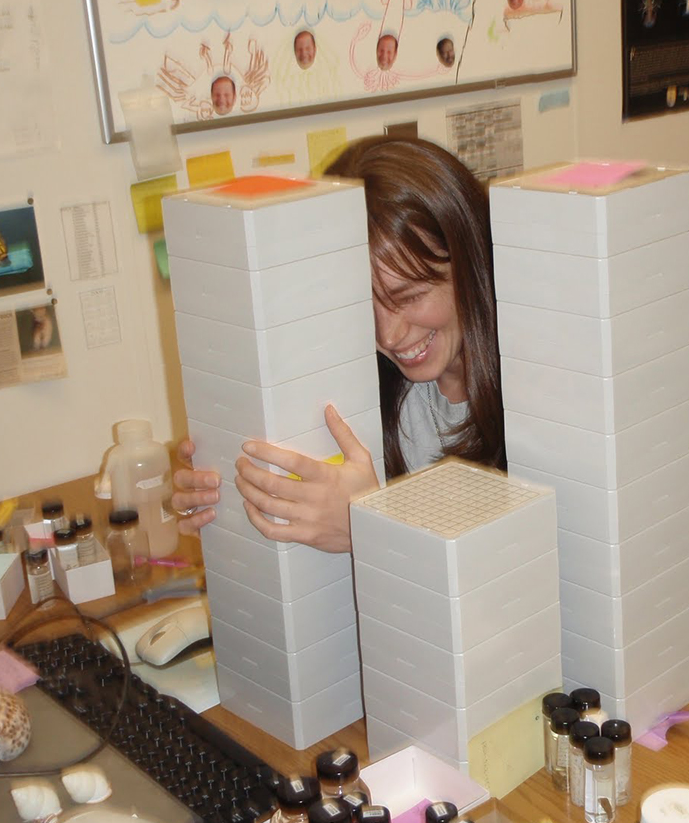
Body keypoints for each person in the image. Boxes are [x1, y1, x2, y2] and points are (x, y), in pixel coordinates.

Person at [172, 137, 506, 552]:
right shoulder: (370, 383)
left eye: (409, 297)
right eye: (362, 306)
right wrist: (226, 488)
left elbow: (531, 589)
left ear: (471, 263)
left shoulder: (541, 401)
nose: (388, 336)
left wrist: (373, 530)